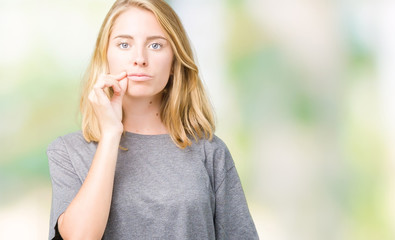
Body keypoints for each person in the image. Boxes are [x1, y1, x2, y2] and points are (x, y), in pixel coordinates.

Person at [46, 0, 259, 239]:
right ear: (105, 56)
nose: (140, 58)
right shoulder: (67, 152)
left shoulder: (210, 152)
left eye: (156, 45)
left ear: (174, 62)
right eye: (124, 44)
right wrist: (110, 134)